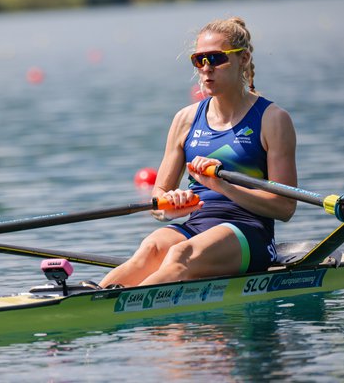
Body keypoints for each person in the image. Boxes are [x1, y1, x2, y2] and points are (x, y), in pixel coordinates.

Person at [99, 17, 297, 288]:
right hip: (197, 223)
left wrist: (222, 185)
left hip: (249, 232)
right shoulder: (185, 119)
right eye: (199, 60)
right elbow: (158, 202)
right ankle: (84, 303)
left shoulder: (273, 119)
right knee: (151, 249)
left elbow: (285, 207)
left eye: (216, 58)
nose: (206, 69)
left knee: (179, 254)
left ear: (243, 58)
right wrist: (171, 206)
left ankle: (123, 310)